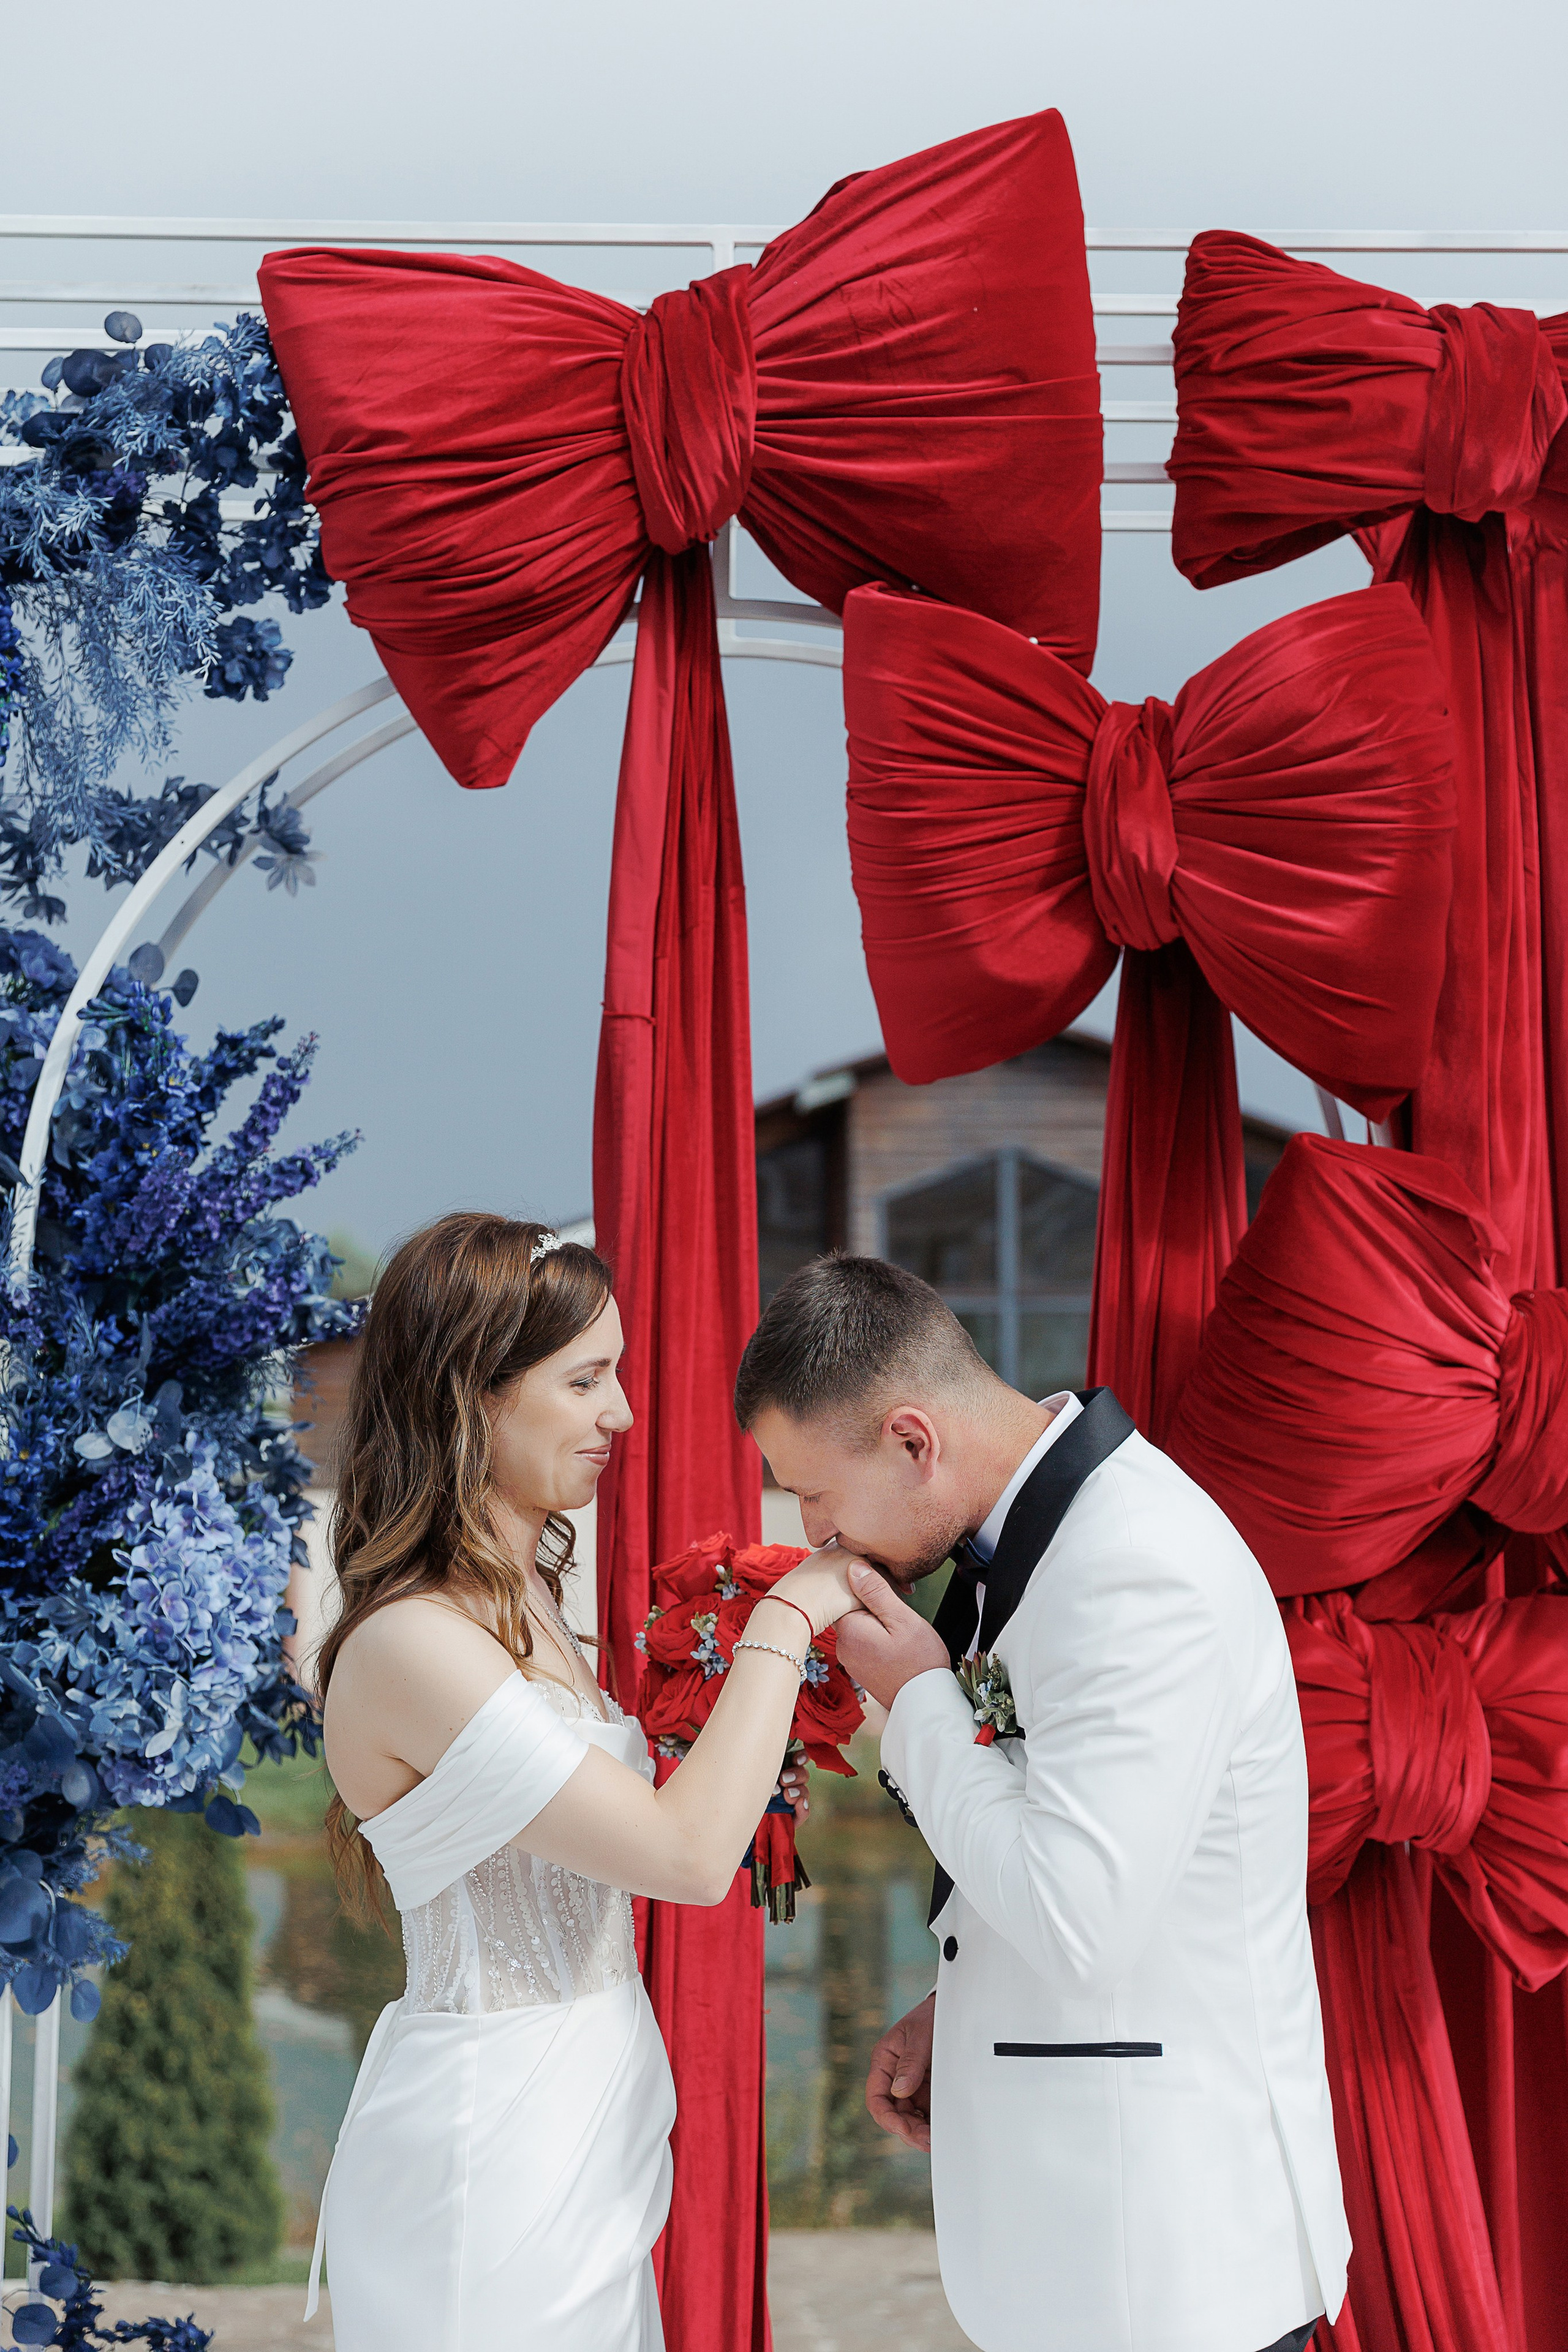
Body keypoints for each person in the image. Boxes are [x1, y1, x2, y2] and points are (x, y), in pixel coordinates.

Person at [735, 1254, 1350, 2352]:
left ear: (913, 1441)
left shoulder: (1137, 1565)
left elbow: (1081, 1917)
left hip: (1168, 2269)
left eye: (816, 1494)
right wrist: (967, 2010)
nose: (816, 1535)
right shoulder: (1030, 1544)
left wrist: (919, 1699)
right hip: (1087, 2258)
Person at [308, 1212, 861, 2352]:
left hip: (591, 2110)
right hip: (492, 2140)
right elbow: (685, 1856)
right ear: (478, 1396)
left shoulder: (534, 1614)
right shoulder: (417, 1642)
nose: (620, 1413)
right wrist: (789, 1613)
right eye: (586, 1380)